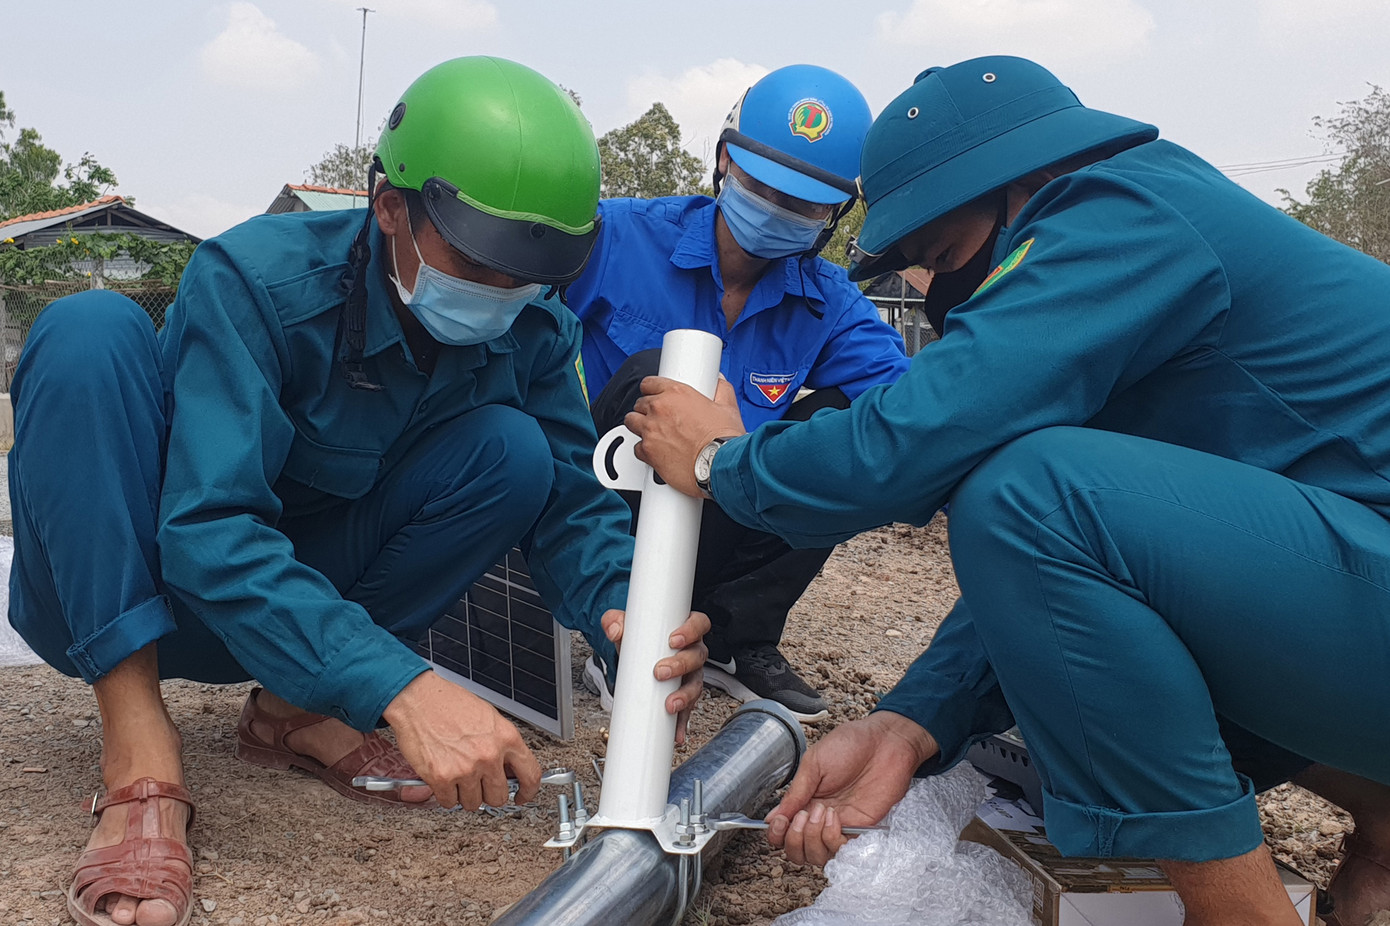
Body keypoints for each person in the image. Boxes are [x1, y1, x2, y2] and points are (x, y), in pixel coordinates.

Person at [624, 55, 1390, 926]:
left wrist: (727, 462)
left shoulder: (1118, 209)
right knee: (1079, 682)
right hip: (1359, 579)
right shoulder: (1149, 258)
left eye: (944, 255)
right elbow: (1073, 569)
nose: (939, 291)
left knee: (1024, 494)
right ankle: (1383, 818)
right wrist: (912, 724)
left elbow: (928, 444)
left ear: (1021, 186)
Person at [9, 57, 709, 926]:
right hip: (129, 589)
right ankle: (137, 751)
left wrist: (626, 620)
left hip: (278, 632)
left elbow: (572, 503)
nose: (503, 294)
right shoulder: (257, 282)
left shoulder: (532, 328)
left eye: (529, 273)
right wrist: (401, 686)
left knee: (516, 452)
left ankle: (294, 713)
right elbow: (206, 528)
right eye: (480, 262)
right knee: (87, 331)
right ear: (390, 211)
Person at [567, 64, 910, 722]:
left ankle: (732, 635)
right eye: (762, 184)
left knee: (849, 426)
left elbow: (912, 411)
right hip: (616, 502)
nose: (777, 211)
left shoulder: (828, 303)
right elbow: (515, 321)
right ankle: (615, 616)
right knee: (661, 367)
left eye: (804, 203)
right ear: (725, 160)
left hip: (725, 497)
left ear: (836, 213)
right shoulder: (618, 238)